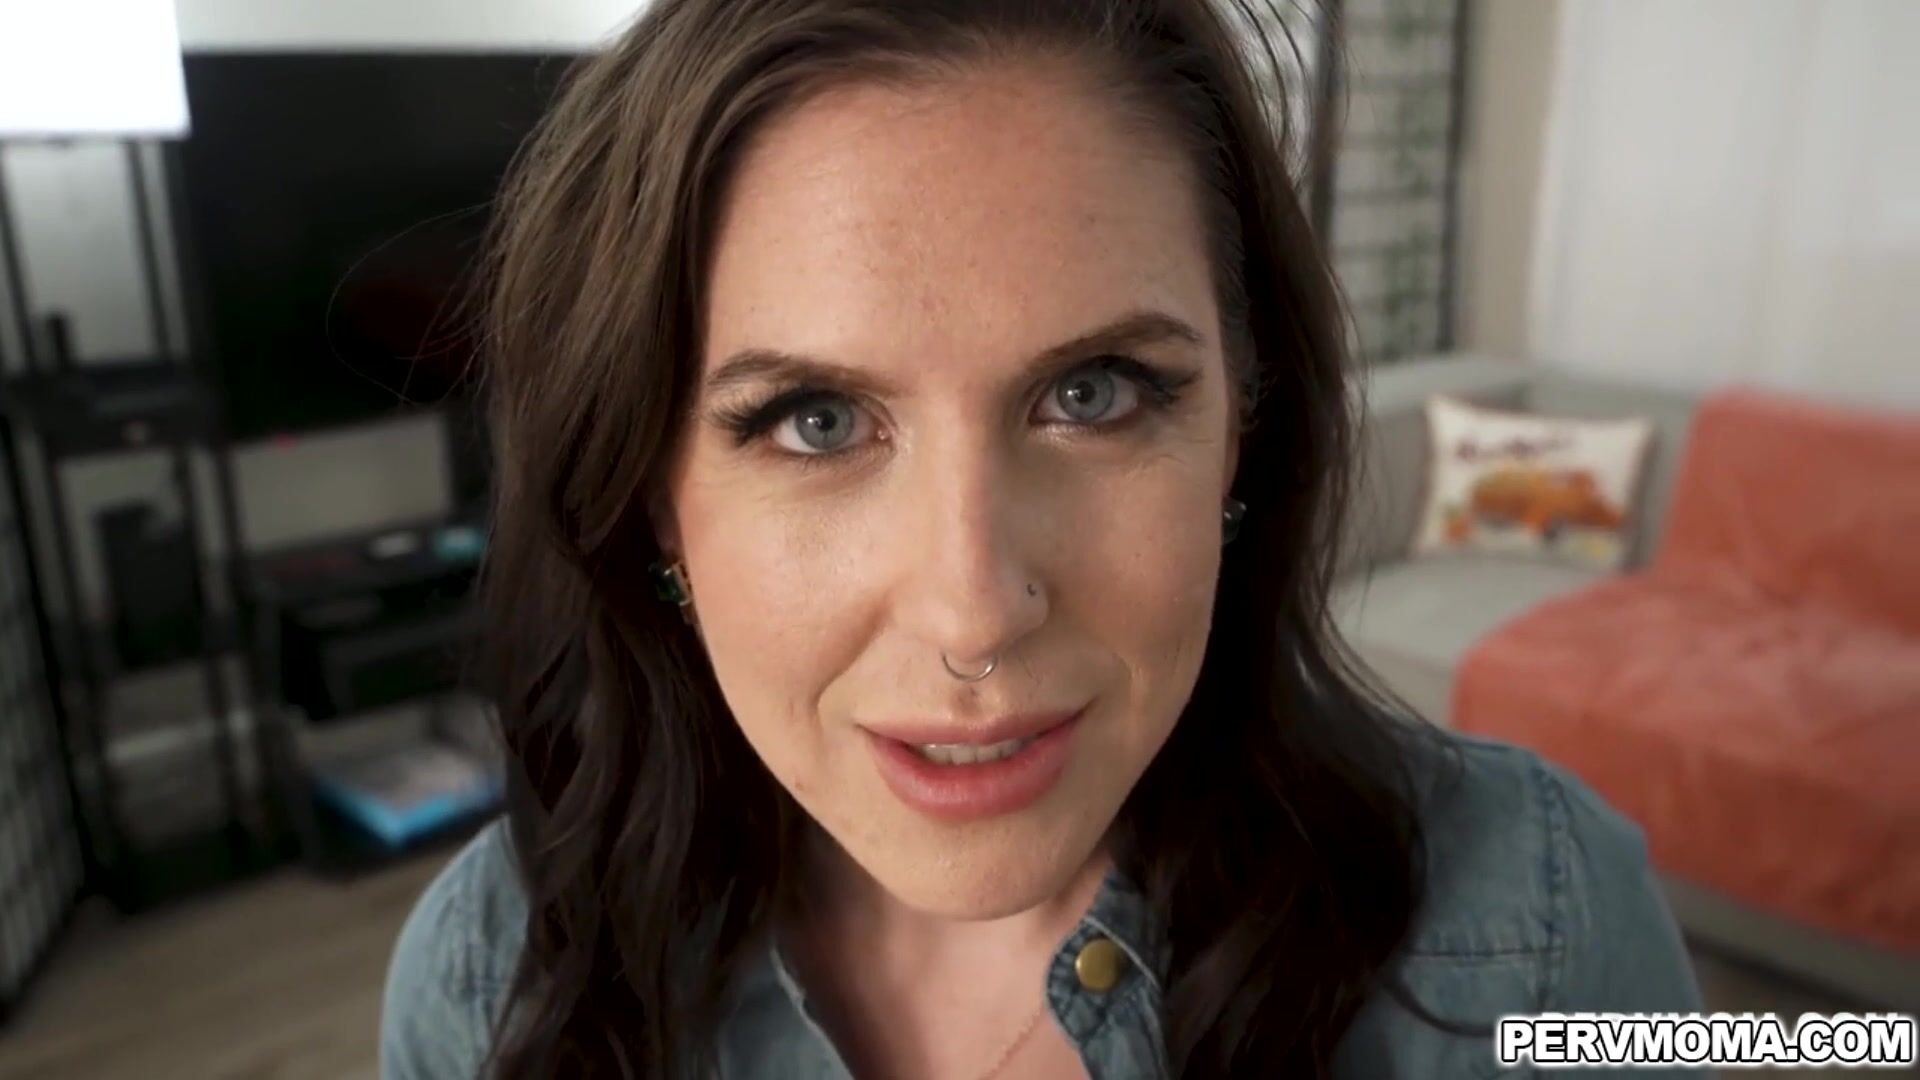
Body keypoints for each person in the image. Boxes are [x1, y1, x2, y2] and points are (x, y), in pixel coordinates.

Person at [381, 1, 1703, 1076]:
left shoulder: (1541, 922)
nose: (974, 612)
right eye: (816, 421)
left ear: (1242, 434)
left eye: (1093, 395)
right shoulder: (489, 978)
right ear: (656, 495)